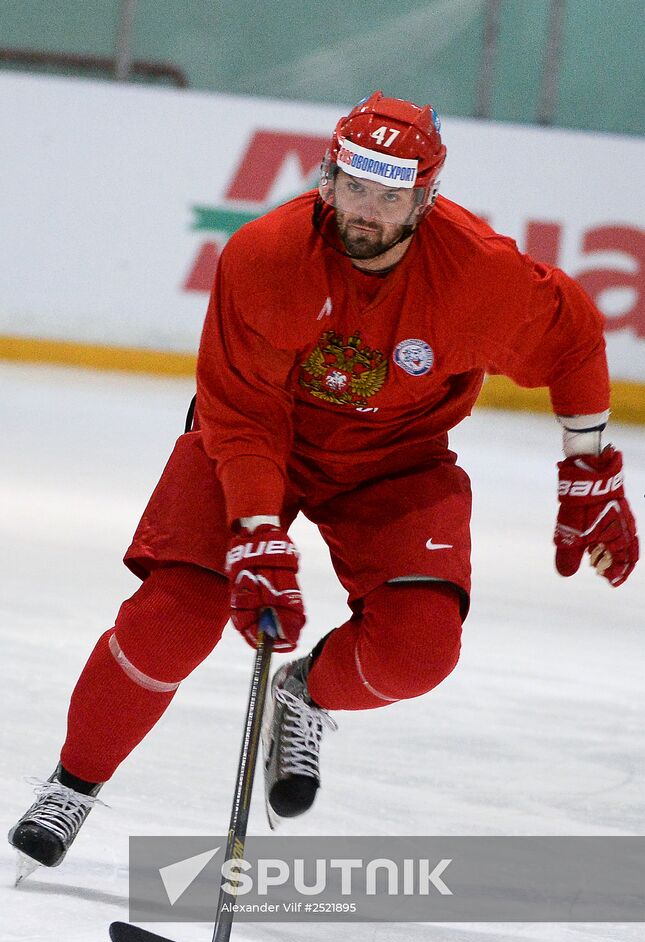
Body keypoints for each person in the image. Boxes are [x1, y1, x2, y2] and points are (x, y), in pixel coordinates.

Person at [9, 92, 639, 872]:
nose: (364, 212)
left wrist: (589, 469)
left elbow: (573, 336)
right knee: (174, 619)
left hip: (396, 456)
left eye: (389, 195)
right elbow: (237, 415)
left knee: (418, 651)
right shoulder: (265, 255)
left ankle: (303, 693)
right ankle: (75, 782)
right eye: (352, 186)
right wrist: (253, 532)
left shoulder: (477, 275)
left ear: (424, 200)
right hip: (260, 440)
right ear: (327, 178)